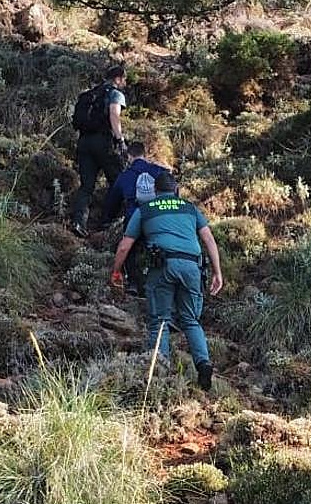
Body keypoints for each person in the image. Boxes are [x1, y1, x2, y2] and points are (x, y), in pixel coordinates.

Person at [110, 173, 222, 390]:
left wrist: (116, 271)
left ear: (155, 191)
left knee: (159, 321)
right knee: (190, 320)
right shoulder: (190, 208)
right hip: (192, 267)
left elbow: (125, 245)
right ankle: (203, 364)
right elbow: (209, 239)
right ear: (176, 189)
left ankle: (159, 373)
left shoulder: (146, 209)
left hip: (163, 266)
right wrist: (218, 272)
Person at [101, 142, 176, 295]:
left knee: (130, 247)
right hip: (157, 218)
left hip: (133, 215)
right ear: (144, 154)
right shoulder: (159, 171)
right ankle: (159, 282)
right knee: (158, 248)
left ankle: (133, 283)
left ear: (129, 156)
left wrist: (106, 218)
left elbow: (112, 200)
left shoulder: (125, 175)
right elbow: (173, 189)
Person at [71, 64, 128, 237]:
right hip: (103, 142)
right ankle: (107, 221)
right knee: (118, 181)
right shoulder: (115, 93)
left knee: (86, 186)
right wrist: (120, 140)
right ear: (117, 78)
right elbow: (114, 115)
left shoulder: (90, 94)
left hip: (84, 142)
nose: (125, 82)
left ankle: (78, 223)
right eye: (124, 79)